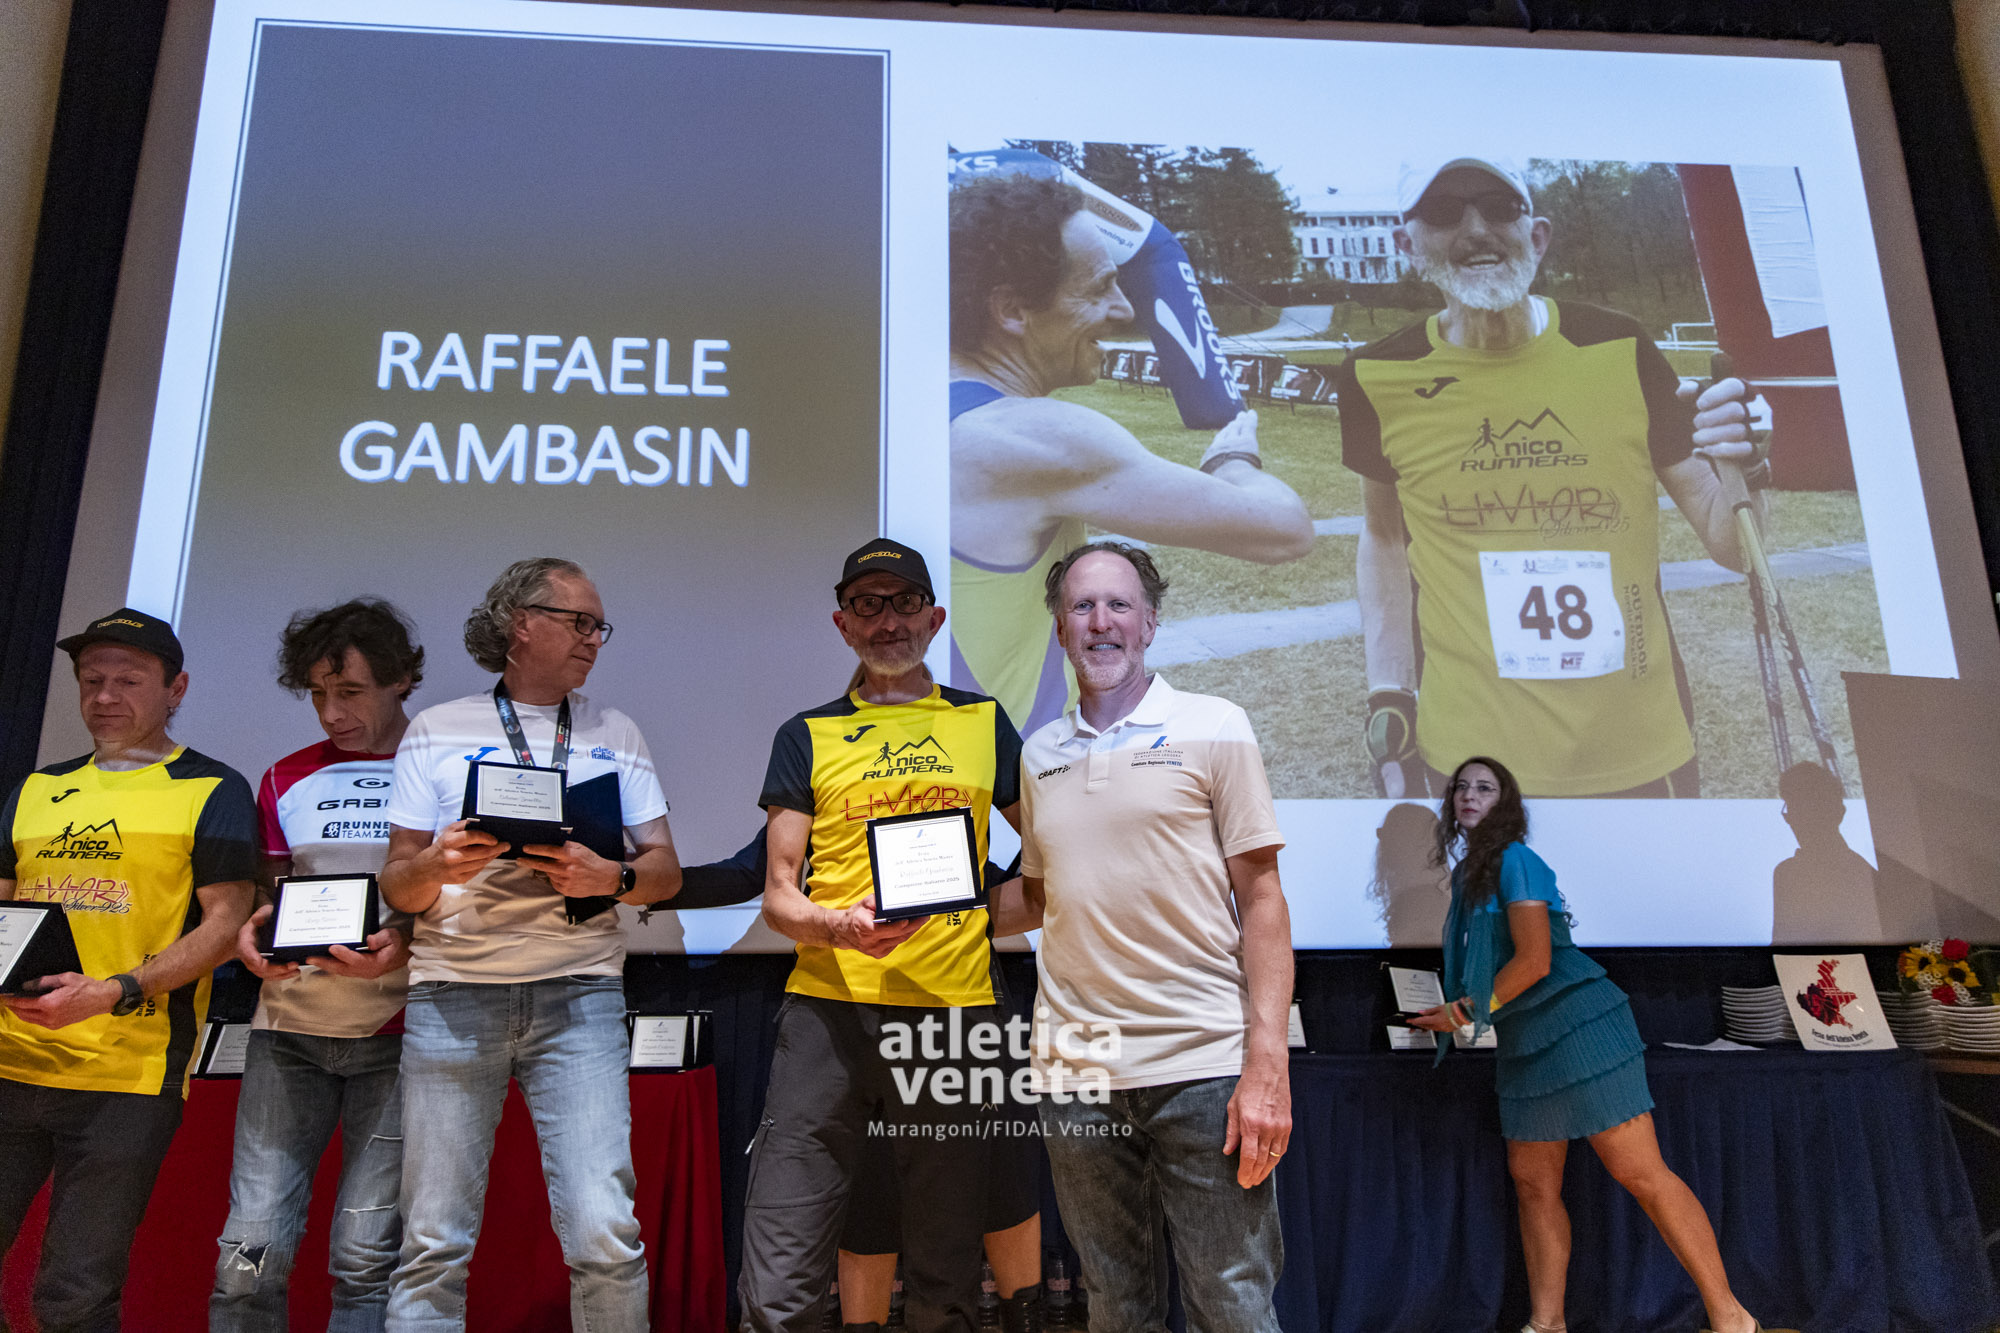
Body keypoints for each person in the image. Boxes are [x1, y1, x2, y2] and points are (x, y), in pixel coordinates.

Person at [1339, 155, 1771, 798]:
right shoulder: (1375, 375)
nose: (1475, 229)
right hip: (1468, 755)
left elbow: (1734, 548)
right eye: (1444, 212)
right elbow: (1383, 536)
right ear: (1407, 244)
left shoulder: (1620, 347)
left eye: (1498, 207)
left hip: (1638, 747)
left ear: (1537, 236)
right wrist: (1388, 690)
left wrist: (1749, 466)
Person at [993, 541, 1293, 1333]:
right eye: (1082, 606)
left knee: (1232, 1303)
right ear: (1060, 627)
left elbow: (1263, 898)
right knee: (1116, 1309)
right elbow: (1042, 897)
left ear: (1150, 622)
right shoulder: (1040, 754)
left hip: (1203, 1067)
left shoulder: (1216, 726)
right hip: (1077, 1072)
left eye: (1118, 604)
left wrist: (1267, 1062)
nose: (1100, 621)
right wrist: (927, 910)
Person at [378, 557, 683, 1331]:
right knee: (431, 1242)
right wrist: (437, 865)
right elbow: (397, 885)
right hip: (451, 995)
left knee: (604, 1233)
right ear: (521, 624)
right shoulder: (436, 728)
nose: (594, 639)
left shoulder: (616, 730)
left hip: (580, 994)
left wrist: (611, 876)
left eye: (599, 626)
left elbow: (665, 872)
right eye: (579, 622)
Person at [741, 538, 1023, 1333]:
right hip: (826, 1011)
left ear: (935, 617)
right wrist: (838, 925)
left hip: (952, 1013)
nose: (888, 620)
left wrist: (970, 914)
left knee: (946, 1261)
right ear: (843, 624)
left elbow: (1050, 860)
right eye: (868, 604)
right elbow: (779, 895)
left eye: (904, 603)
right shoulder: (806, 733)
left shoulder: (982, 722)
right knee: (783, 1256)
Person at [1409, 756, 1787, 1333]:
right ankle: (1547, 1324)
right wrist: (1456, 1009)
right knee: (1533, 1184)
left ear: (1506, 805)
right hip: (1526, 1040)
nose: (1469, 795)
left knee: (1640, 1173)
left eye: (1484, 788)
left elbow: (1535, 962)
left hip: (1578, 1027)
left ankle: (1732, 1318)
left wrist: (1461, 1012)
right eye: (1461, 787)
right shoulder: (1469, 875)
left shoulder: (1518, 860)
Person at [948, 171, 1314, 735]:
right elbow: (1284, 530)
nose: (1124, 310)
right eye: (1099, 289)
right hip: (1006, 782)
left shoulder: (904, 412)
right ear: (1013, 310)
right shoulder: (1036, 438)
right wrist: (1233, 460)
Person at [0, 608, 257, 1333]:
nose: (106, 696)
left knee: (74, 1294)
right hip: (10, 1061)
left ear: (176, 689)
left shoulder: (213, 788)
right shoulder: (35, 788)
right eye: (92, 680)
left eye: (128, 680)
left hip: (127, 1074)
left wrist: (117, 990)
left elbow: (225, 925)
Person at [211, 599, 426, 1331]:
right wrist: (253, 929)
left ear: (402, 679)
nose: (333, 712)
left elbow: (472, 904)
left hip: (401, 1036)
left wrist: (407, 943)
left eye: (352, 691)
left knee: (365, 1260)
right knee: (248, 1255)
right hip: (288, 1031)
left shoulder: (441, 772)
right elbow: (270, 895)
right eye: (318, 694)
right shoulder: (285, 776)